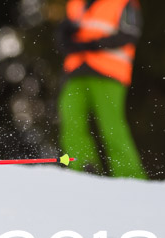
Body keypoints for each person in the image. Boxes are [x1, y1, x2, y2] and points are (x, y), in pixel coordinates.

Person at [56, 0, 148, 179]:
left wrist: (93, 44)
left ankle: (130, 177)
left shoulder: (123, 3)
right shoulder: (75, 4)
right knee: (70, 120)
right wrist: (62, 35)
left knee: (111, 127)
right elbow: (66, 36)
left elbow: (130, 33)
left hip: (109, 72)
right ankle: (83, 169)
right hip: (76, 70)